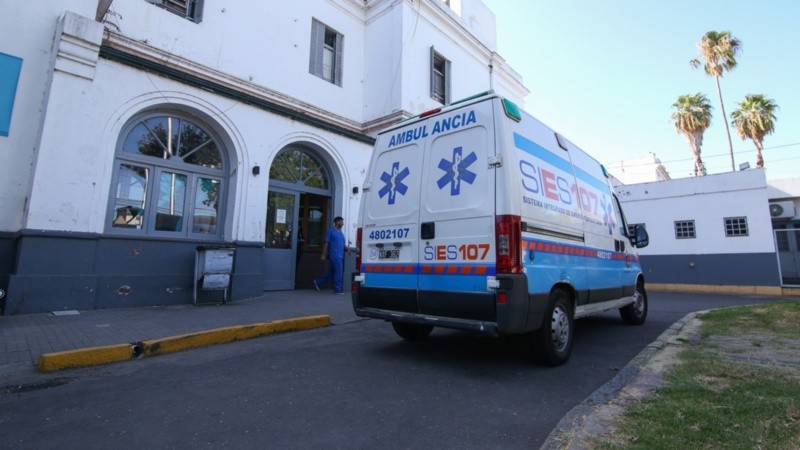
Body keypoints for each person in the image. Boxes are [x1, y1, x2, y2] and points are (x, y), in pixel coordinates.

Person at [313, 216, 347, 294]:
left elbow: (343, 244)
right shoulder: (330, 231)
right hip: (334, 255)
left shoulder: (341, 233)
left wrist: (347, 250)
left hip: (340, 255)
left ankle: (317, 282)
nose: (343, 223)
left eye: (343, 221)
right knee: (339, 272)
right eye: (341, 221)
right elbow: (326, 243)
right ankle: (337, 290)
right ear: (336, 222)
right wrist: (323, 254)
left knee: (332, 272)